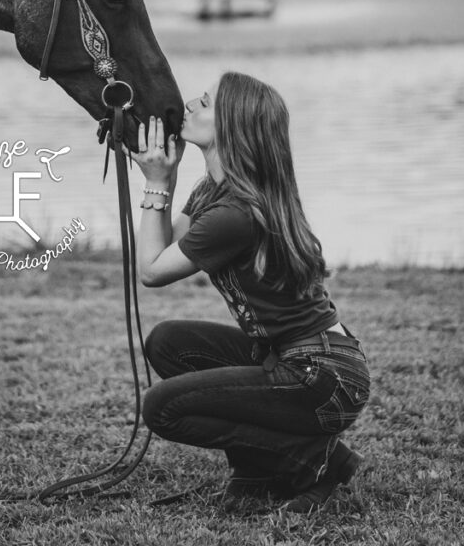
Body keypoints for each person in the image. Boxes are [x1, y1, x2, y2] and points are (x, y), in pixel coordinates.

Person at [127, 71, 370, 514]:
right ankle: (257, 472)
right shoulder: (216, 192)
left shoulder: (235, 213)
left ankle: (315, 461)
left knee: (163, 408)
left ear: (232, 124)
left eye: (205, 102)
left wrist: (156, 182)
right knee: (168, 343)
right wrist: (169, 171)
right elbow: (162, 247)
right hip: (297, 359)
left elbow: (151, 271)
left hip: (323, 377)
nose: (190, 105)